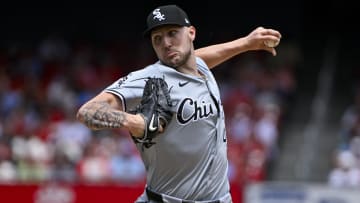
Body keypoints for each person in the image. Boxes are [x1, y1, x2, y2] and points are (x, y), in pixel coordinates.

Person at [76, 4, 281, 203]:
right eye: (157, 39)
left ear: (191, 33)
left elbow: (199, 57)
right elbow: (87, 111)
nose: (166, 43)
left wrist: (246, 43)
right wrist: (136, 122)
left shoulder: (200, 66)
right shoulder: (150, 78)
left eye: (172, 33)